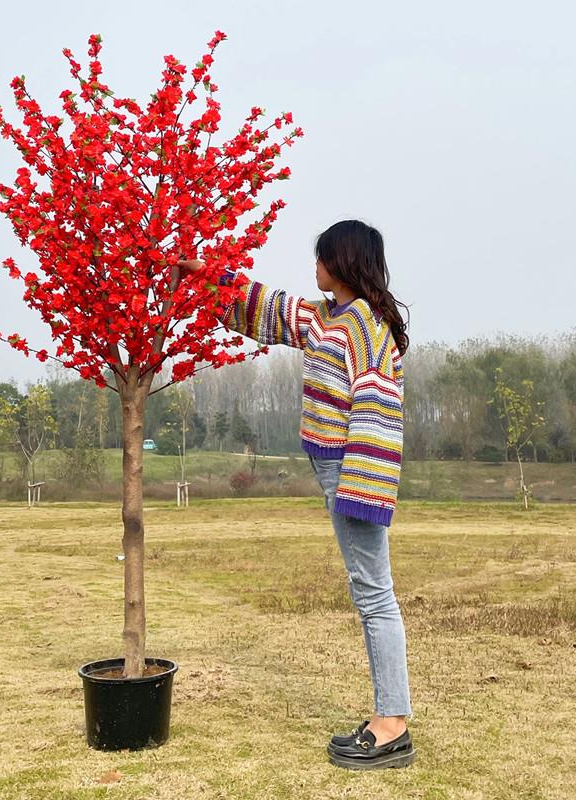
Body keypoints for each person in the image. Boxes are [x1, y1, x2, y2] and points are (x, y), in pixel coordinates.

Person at [177, 219, 415, 771]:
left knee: (374, 592)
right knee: (370, 589)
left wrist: (362, 492)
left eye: (321, 256)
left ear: (343, 261)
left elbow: (379, 416)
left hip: (354, 475)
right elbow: (273, 308)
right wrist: (208, 278)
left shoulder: (366, 328)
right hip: (333, 470)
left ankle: (392, 725)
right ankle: (390, 716)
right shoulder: (328, 317)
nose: (315, 266)